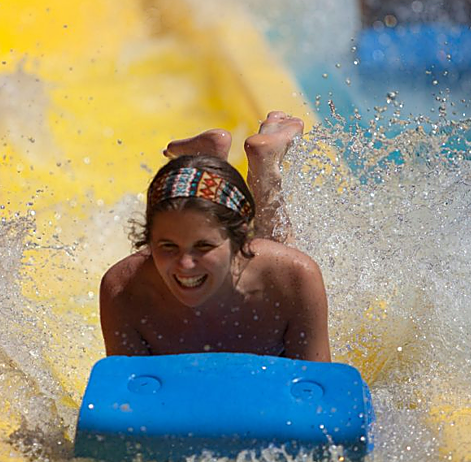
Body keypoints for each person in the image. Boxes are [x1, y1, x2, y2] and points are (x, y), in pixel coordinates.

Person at [100, 111, 331, 362]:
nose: (185, 264)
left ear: (241, 238)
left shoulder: (294, 276)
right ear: (149, 240)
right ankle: (209, 160)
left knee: (277, 244)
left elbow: (316, 388)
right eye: (168, 246)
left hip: (263, 263)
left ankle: (265, 166)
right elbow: (126, 395)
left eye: (203, 246)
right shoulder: (124, 290)